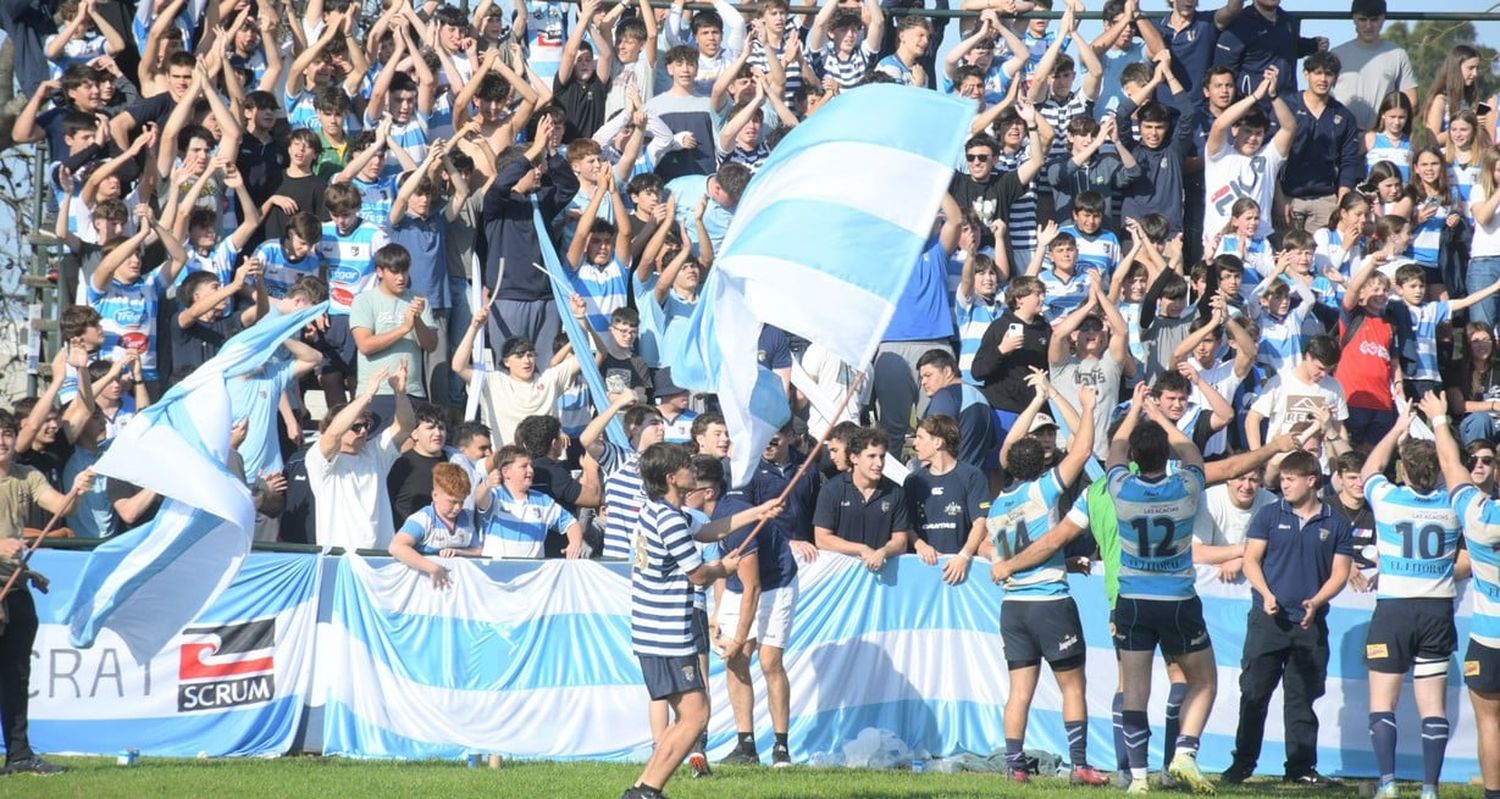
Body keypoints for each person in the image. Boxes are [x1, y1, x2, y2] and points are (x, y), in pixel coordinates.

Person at [621, 443, 778, 799]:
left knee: (689, 716)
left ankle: (643, 790)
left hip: (655, 632)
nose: (693, 471)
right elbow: (697, 575)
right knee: (695, 716)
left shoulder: (661, 510)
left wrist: (759, 512)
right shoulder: (669, 519)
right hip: (667, 633)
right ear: (670, 478)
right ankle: (647, 789)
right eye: (686, 467)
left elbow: (712, 530)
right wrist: (724, 568)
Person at [987, 381, 1106, 786]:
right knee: (1073, 686)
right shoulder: (1043, 490)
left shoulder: (997, 506)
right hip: (1049, 603)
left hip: (1013, 606)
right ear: (1040, 464)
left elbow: (1024, 552)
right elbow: (1083, 451)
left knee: (1019, 690)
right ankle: (1080, 766)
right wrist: (1087, 406)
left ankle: (1014, 766)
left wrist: (1066, 561)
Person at [1109, 382, 1216, 793]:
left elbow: (1116, 448)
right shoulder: (1186, 487)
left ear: (1136, 458)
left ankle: (1138, 779)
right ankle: (1185, 752)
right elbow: (1191, 450)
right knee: (1203, 682)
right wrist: (1158, 414)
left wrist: (1135, 409)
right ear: (1165, 455)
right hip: (1177, 600)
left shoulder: (1122, 489)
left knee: (1135, 690)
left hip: (1133, 599)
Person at [1225, 449, 1353, 786]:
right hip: (1268, 622)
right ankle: (1241, 764)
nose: (1284, 485)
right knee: (1253, 693)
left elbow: (1340, 573)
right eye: (1281, 479)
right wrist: (1266, 595)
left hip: (1309, 624)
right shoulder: (1268, 515)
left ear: (1311, 480)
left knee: (1301, 699)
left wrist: (1317, 600)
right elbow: (1251, 559)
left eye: (1290, 479)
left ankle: (1300, 768)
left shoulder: (1336, 523)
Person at [1360, 402, 1463, 799]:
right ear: (1436, 470)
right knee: (1432, 706)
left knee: (1382, 701)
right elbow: (1457, 471)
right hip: (1437, 609)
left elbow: (1369, 470)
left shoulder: (1387, 498)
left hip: (1395, 609)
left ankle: (1387, 784)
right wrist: (1440, 429)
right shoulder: (1454, 503)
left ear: (1403, 469)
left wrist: (1396, 429)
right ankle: (1429, 789)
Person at [0, 409, 93, 776]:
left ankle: (19, 756)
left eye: (7, 433)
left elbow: (61, 506)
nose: (2, 441)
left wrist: (78, 489)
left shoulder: (28, 476)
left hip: (15, 588)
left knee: (16, 674)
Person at [1428, 391, 1500, 799]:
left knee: (1489, 723)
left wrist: (1440, 419)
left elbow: (1450, 465)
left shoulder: (1479, 514)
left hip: (1489, 639)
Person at [708, 455, 799, 769]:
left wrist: (739, 637)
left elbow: (754, 587)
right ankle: (746, 747)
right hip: (739, 585)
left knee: (769, 660)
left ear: (706, 492)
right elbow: (722, 567)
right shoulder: (710, 516)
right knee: (736, 660)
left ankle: (781, 747)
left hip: (777, 581)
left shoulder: (733, 524)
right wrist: (718, 612)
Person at [308, 362, 416, 551]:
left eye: (366, 425)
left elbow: (406, 426)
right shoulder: (318, 459)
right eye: (356, 427)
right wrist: (366, 395)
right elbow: (333, 434)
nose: (363, 431)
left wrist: (400, 393)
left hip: (379, 557)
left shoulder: (375, 453)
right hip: (340, 559)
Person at [812, 426, 909, 571]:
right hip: (841, 576)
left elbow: (900, 541)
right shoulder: (832, 490)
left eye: (882, 456)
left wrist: (883, 552)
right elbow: (822, 539)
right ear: (854, 458)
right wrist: (861, 549)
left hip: (882, 577)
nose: (879, 463)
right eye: (871, 456)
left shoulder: (896, 492)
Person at [904, 415, 988, 583]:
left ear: (938, 442)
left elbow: (981, 522)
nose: (915, 444)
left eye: (920, 437)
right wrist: (920, 545)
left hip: (961, 571)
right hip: (922, 570)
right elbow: (905, 525)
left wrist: (963, 556)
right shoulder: (913, 481)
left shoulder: (971, 476)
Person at [474, 444, 584, 559]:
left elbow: (571, 524)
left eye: (531, 466)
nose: (530, 470)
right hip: (499, 573)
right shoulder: (495, 495)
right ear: (506, 472)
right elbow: (478, 499)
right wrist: (486, 484)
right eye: (524, 466)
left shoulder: (543, 501)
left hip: (533, 573)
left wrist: (575, 544)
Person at [388, 463, 483, 588]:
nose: (458, 508)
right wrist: (433, 568)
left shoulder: (465, 518)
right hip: (424, 587)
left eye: (462, 501)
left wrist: (459, 552)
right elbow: (396, 547)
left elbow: (478, 551)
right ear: (435, 496)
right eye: (452, 501)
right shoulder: (423, 519)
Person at [1329, 0, 1417, 130]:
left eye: (1374, 20)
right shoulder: (1336, 54)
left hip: (1382, 138)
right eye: (1362, 20)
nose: (1368, 26)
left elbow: (1412, 101)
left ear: (1383, 18)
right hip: (1341, 136)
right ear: (1354, 19)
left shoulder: (1397, 54)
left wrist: (1391, 129)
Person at [917, 349, 995, 472]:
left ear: (947, 371)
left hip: (948, 480)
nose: (923, 382)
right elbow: (991, 445)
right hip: (975, 479)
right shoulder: (981, 396)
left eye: (928, 375)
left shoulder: (945, 396)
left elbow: (930, 447)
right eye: (921, 377)